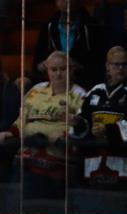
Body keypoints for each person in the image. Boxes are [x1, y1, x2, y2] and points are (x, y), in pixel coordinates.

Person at [0, 51, 86, 201]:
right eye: (54, 70)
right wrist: (11, 132)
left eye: (63, 69)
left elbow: (81, 126)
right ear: (47, 71)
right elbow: (22, 119)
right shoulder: (36, 90)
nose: (58, 74)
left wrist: (66, 133)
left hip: (57, 162)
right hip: (26, 157)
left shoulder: (80, 94)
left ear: (72, 70)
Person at [76, 47, 127, 199]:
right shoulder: (96, 91)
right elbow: (82, 121)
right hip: (93, 167)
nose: (120, 69)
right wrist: (77, 124)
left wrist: (108, 130)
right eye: (116, 64)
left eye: (124, 65)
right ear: (107, 66)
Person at [33, 0, 101, 89]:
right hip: (51, 82)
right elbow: (37, 64)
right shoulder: (48, 26)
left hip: (82, 82)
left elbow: (98, 65)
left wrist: (76, 66)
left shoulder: (91, 27)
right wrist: (44, 65)